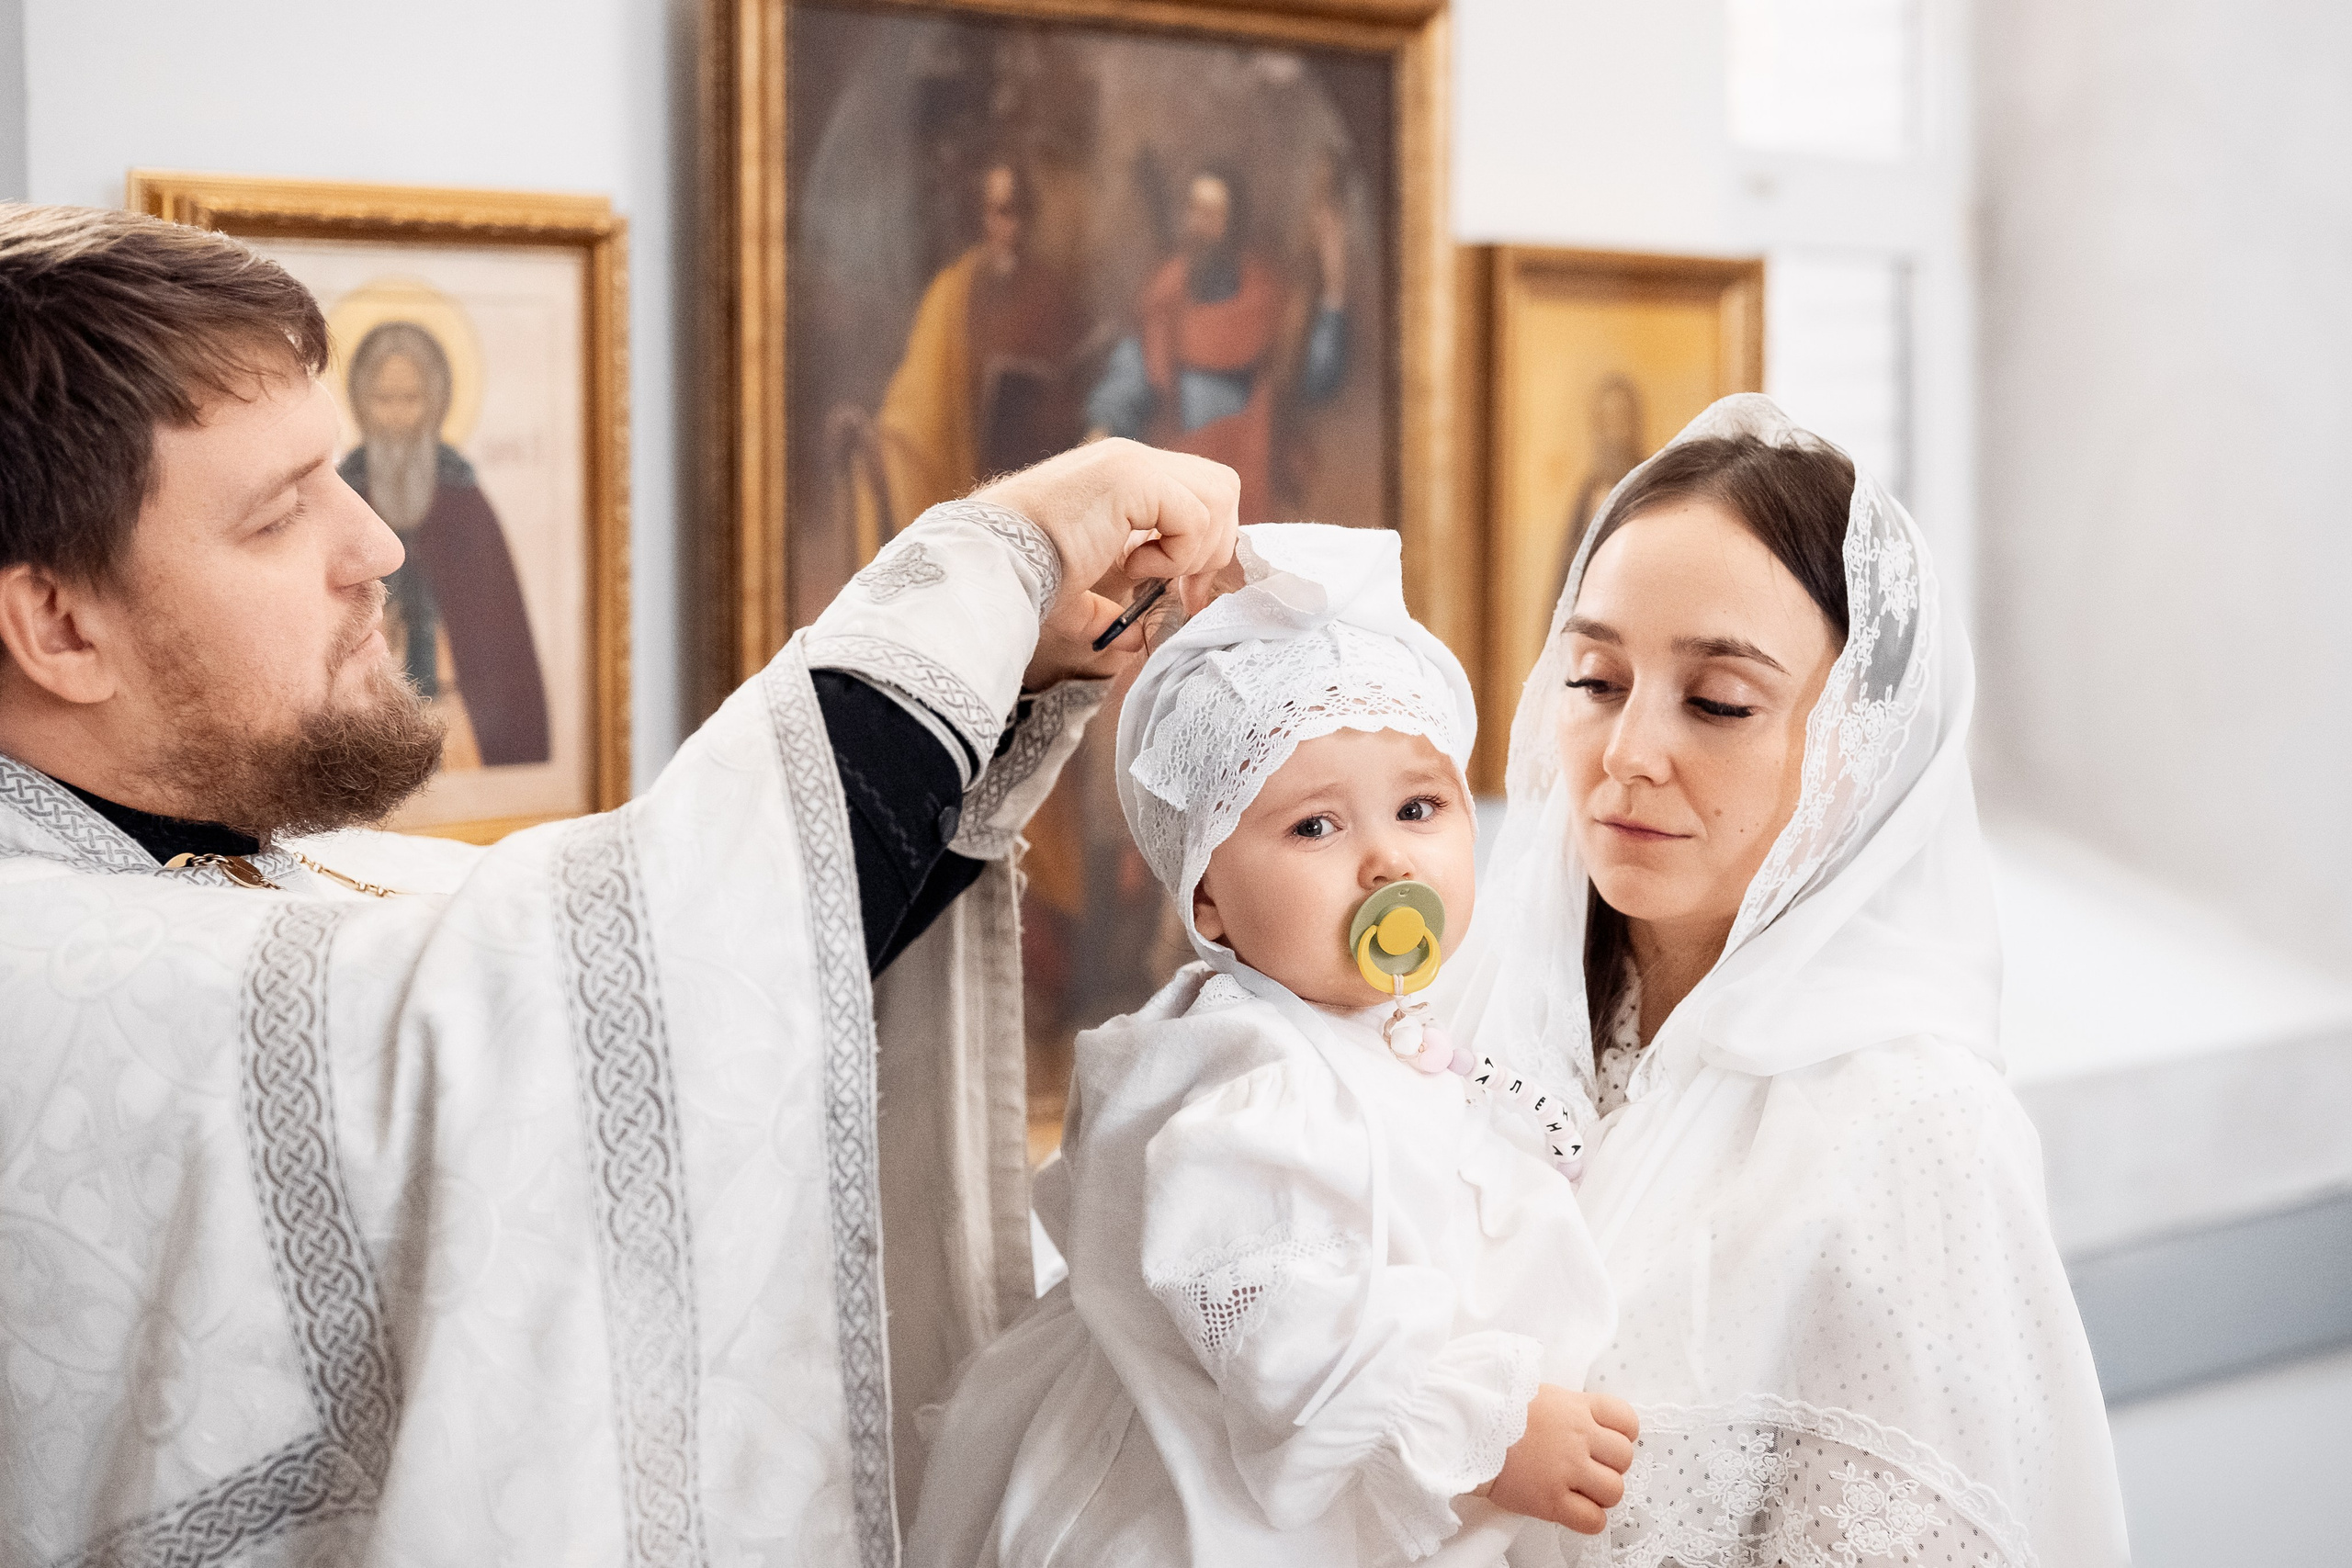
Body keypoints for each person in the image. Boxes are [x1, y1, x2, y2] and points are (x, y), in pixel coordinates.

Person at [0, 204, 1236, 1564]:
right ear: (58, 622)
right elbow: (569, 995)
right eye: (280, 513)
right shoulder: (39, 956)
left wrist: (1014, 670)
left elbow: (716, 1008)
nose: (377, 545)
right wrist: (995, 556)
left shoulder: (266, 868)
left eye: (338, 475)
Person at [1441, 394, 2130, 1564]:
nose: (1626, 752)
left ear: (1859, 751)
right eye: (1596, 680)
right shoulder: (1465, 1028)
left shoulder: (1912, 1134)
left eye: (1717, 702)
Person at [911, 525, 1634, 1567]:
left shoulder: (1381, 1036)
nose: (1387, 855)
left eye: (1420, 807)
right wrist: (1478, 1428)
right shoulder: (1245, 1074)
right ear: (1209, 892)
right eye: (1314, 829)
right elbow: (1268, 1317)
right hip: (1204, 1512)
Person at [340, 317, 551, 767]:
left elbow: (497, 632)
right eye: (384, 399)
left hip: (456, 707)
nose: (397, 414)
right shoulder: (344, 492)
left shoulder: (462, 496)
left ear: (435, 402)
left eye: (411, 399)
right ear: (361, 401)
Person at [1086, 168, 1349, 523]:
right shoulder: (1165, 296)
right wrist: (1099, 437)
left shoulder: (1266, 299)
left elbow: (1315, 375)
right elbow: (1129, 377)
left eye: (1211, 214)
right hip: (1173, 486)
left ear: (1233, 226)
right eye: (1193, 210)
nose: (1198, 225)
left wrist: (1334, 284)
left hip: (1244, 485)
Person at [862, 159, 1089, 545]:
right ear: (980, 216)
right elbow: (914, 400)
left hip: (1038, 471)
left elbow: (1077, 376)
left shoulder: (1051, 290)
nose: (1006, 225)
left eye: (1015, 211)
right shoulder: (952, 291)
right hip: (966, 464)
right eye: (996, 211)